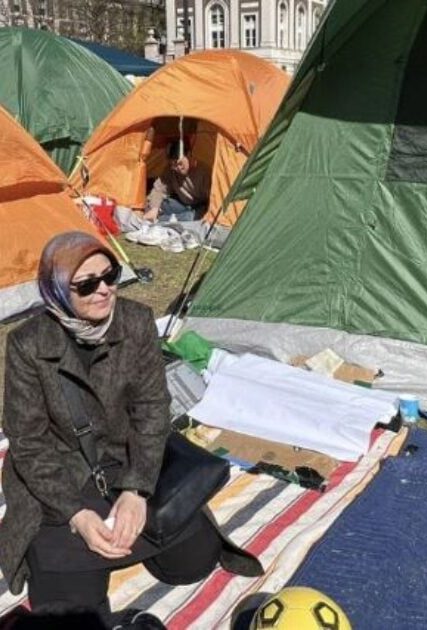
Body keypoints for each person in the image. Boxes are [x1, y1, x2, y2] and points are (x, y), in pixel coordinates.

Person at [0, 231, 261, 629]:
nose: (104, 290)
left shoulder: (135, 321)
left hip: (127, 460)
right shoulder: (27, 344)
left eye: (110, 276)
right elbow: (28, 443)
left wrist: (137, 490)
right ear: (56, 290)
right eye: (87, 284)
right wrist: (76, 515)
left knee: (191, 563)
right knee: (70, 615)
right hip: (62, 476)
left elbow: (153, 409)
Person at [144, 138, 210, 223]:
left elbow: (212, 200)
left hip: (200, 206)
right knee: (158, 204)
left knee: (191, 217)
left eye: (179, 163)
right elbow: (159, 189)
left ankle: (168, 219)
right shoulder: (171, 170)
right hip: (182, 204)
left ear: (189, 155)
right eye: (172, 164)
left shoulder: (204, 173)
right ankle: (171, 219)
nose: (176, 168)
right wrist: (154, 209)